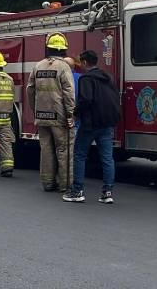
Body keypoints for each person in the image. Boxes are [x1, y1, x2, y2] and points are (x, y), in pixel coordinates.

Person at [64, 50, 121, 204]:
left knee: (80, 154)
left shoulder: (86, 78)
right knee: (107, 158)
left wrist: (75, 113)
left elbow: (86, 100)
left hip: (90, 123)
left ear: (84, 62)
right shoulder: (108, 77)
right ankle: (107, 192)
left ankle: (78, 191)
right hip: (107, 122)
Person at [26, 33, 76, 195]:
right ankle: (66, 185)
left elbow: (30, 90)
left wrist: (35, 110)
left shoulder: (38, 66)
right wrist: (71, 114)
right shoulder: (63, 67)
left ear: (48, 48)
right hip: (59, 116)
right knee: (64, 149)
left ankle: (47, 182)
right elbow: (68, 92)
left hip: (41, 116)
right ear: (64, 50)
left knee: (46, 149)